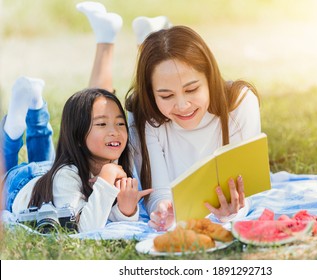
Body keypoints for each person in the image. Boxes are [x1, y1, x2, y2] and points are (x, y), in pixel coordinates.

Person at [77, 2, 261, 231]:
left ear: (210, 77)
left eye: (192, 89)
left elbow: (247, 188)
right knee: (97, 109)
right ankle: (109, 38)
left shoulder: (240, 102)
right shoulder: (144, 111)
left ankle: (147, 35)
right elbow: (157, 192)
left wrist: (233, 212)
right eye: (166, 95)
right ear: (152, 95)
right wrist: (163, 210)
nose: (182, 105)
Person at [1, 76, 152, 233]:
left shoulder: (112, 162)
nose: (115, 131)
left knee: (48, 164)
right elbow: (85, 228)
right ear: (78, 136)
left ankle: (35, 104)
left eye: (120, 123)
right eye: (101, 124)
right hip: (18, 185)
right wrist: (107, 176)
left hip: (49, 176)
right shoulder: (68, 176)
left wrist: (125, 210)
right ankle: (13, 131)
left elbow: (102, 214)